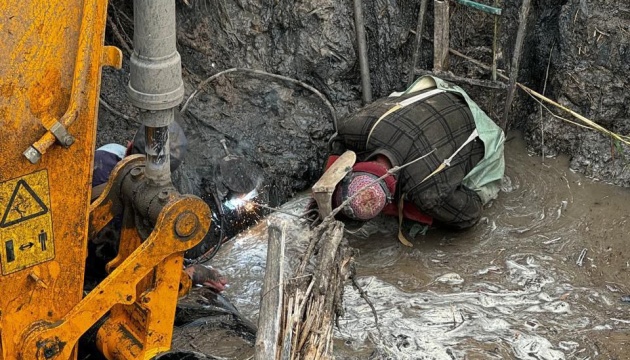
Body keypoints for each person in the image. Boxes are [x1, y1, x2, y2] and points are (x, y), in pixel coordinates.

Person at [319, 75, 505, 233]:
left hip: (481, 129)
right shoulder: (357, 127)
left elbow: (469, 216)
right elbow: (338, 143)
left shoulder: (428, 192)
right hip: (444, 93)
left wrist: (412, 210)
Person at [90, 116, 227, 292]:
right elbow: (135, 272)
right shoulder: (124, 213)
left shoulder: (107, 153)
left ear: (130, 146)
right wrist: (192, 274)